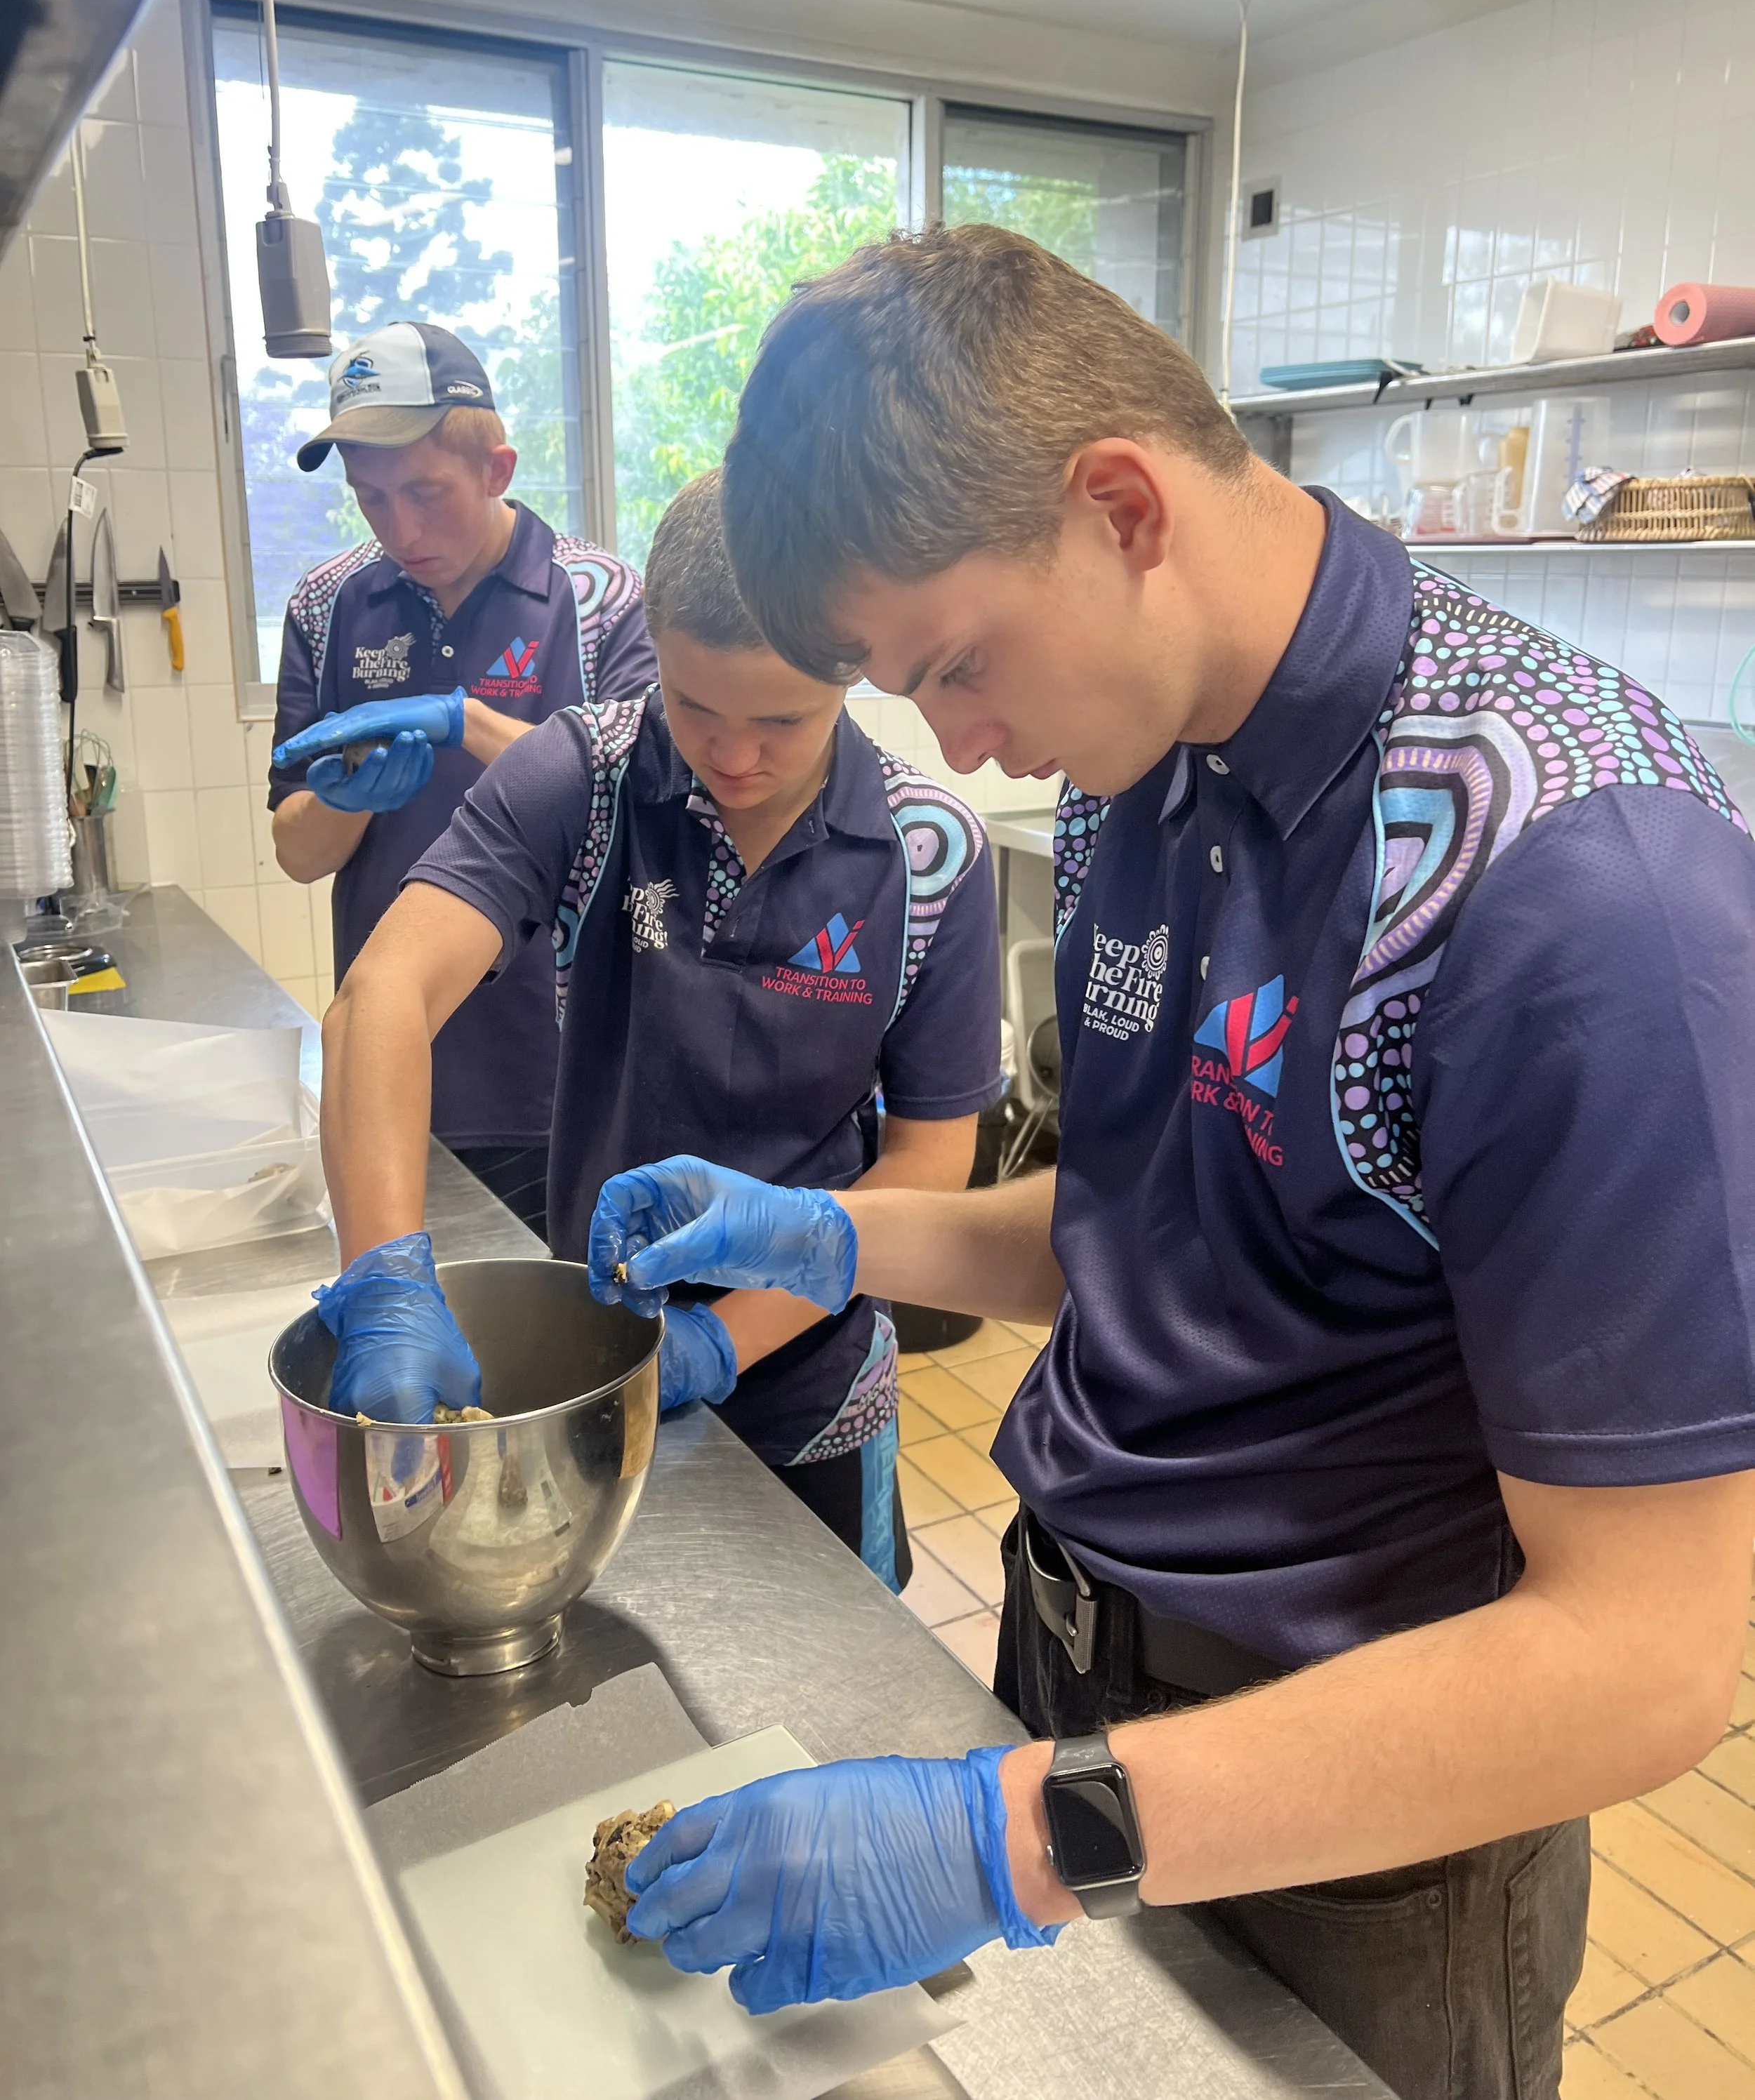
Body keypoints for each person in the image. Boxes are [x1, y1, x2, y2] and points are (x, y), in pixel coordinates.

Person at [588, 227, 1755, 2099]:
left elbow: (1643, 1656)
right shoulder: (1136, 770)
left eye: (957, 665)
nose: (954, 742)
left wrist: (1018, 1841)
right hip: (1072, 1691)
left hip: (1356, 1831)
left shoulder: (1561, 869)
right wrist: (830, 1232)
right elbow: (1144, 1227)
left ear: (1119, 505)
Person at [311, 468, 1002, 1588]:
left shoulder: (931, 857)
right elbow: (383, 995)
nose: (732, 757)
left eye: (780, 720)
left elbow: (934, 1157)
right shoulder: (585, 776)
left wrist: (728, 1338)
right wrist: (384, 1277)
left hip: (812, 1392)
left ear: (854, 672)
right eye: (695, 708)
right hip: (596, 1372)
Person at [268, 321, 656, 1240]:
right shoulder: (328, 608)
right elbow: (294, 849)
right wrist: (345, 797)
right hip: (386, 1079)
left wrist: (465, 722)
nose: (401, 530)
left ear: (497, 468)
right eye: (372, 499)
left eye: (426, 493)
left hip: (562, 1079)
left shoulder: (597, 601)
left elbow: (645, 816)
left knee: (563, 1347)